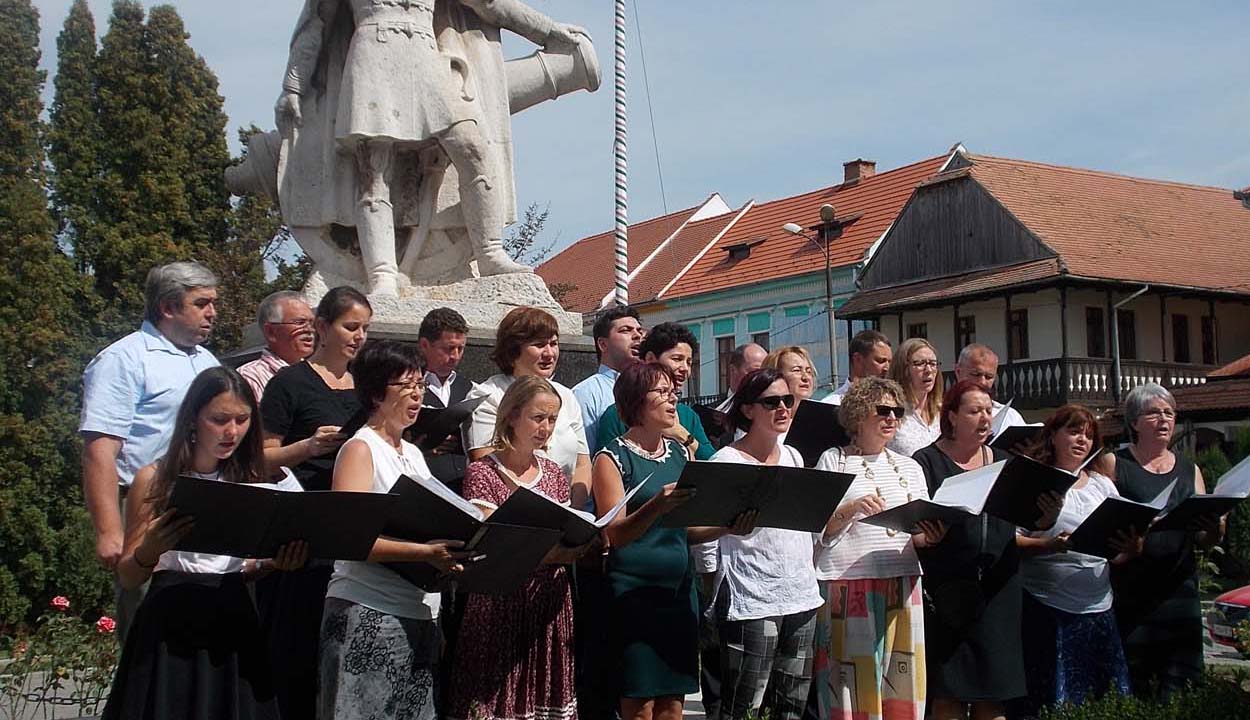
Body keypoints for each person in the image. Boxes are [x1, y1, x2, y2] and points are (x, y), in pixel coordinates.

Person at [277, 0, 592, 294]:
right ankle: (382, 274)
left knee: (474, 150)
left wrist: (550, 30)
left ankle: (489, 252)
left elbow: (490, 4)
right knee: (374, 169)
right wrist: (294, 84)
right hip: (372, 55)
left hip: (426, 54)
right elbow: (316, 22)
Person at [102, 367, 307, 720]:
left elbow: (239, 568)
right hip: (172, 619)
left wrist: (274, 563)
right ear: (193, 419)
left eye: (242, 420)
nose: (232, 432)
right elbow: (128, 577)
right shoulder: (156, 479)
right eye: (219, 419)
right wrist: (149, 550)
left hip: (232, 615)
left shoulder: (251, 480)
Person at [320, 340, 471, 720]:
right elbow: (348, 536)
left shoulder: (415, 454)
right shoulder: (360, 449)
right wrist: (424, 553)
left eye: (420, 384)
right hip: (368, 609)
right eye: (406, 386)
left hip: (419, 614)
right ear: (374, 393)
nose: (417, 394)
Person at [80, 261, 221, 639]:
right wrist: (110, 531)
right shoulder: (123, 359)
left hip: (205, 500)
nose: (212, 313)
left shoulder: (207, 362)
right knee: (148, 623)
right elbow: (100, 450)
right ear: (168, 307)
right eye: (202, 303)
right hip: (148, 504)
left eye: (213, 303)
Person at [593, 362, 740, 720]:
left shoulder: (681, 454)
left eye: (672, 391)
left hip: (677, 592)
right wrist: (656, 506)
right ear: (636, 400)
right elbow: (614, 534)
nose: (672, 397)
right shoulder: (611, 458)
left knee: (673, 703)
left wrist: (727, 527)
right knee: (639, 705)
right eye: (661, 391)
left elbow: (687, 529)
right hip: (633, 594)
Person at [912, 380, 1061, 720]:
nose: (984, 418)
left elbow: (1025, 518)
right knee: (947, 694)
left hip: (999, 590)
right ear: (951, 417)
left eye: (988, 411)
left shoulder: (1007, 463)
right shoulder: (926, 462)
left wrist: (1045, 516)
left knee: (993, 696)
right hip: (946, 593)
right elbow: (916, 524)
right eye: (974, 411)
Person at [447, 375, 592, 720]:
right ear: (511, 415)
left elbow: (559, 530)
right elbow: (494, 543)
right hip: (501, 602)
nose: (546, 428)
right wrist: (549, 550)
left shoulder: (555, 472)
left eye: (552, 420)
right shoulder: (483, 472)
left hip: (547, 601)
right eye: (537, 417)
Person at [257, 285, 372, 720]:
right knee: (298, 647)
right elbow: (260, 458)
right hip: (305, 528)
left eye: (365, 328)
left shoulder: (365, 384)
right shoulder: (289, 383)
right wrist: (307, 447)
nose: (358, 336)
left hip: (352, 526)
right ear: (323, 327)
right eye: (350, 326)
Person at [812, 377, 946, 720]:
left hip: (901, 579)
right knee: (851, 680)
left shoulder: (910, 466)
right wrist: (851, 509)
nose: (891, 418)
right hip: (848, 582)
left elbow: (915, 530)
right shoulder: (834, 460)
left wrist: (929, 537)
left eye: (897, 412)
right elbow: (816, 531)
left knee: (901, 682)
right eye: (882, 410)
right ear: (858, 415)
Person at [711, 368, 822, 720]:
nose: (783, 409)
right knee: (745, 702)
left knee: (791, 701)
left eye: (788, 401)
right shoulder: (726, 460)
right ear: (747, 410)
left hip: (800, 590)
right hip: (751, 593)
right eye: (771, 402)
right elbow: (695, 530)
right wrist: (727, 528)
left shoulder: (793, 456)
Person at [1015, 405, 1140, 713]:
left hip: (1098, 608)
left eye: (1088, 434)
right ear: (1053, 436)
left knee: (1100, 701)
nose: (1082, 440)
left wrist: (1132, 547)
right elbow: (1010, 541)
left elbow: (1119, 555)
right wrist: (1049, 545)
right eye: (1073, 431)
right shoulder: (1034, 481)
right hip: (1047, 607)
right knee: (1049, 701)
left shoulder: (1102, 485)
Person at [1104, 383, 1222, 699]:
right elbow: (1100, 524)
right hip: (1131, 591)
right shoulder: (1115, 464)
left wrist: (1214, 527)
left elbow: (1203, 539)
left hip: (1179, 590)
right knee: (1136, 683)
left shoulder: (1189, 468)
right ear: (1134, 422)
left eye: (1169, 413)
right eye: (1154, 413)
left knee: (1183, 685)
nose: (1164, 420)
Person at [466, 306, 591, 506]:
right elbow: (487, 462)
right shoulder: (488, 395)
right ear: (514, 351)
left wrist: (571, 515)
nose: (549, 353)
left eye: (554, 343)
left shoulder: (566, 396)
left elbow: (583, 464)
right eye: (539, 345)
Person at [594, 322, 715, 461]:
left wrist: (682, 435)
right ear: (650, 359)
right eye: (677, 359)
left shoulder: (688, 415)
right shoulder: (617, 415)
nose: (685, 368)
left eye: (689, 362)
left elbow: (714, 463)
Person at [416, 307, 474, 494]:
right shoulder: (404, 386)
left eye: (461, 348)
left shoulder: (470, 388)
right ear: (425, 345)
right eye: (448, 349)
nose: (455, 356)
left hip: (463, 489)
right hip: (422, 487)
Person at [574, 305, 644, 450]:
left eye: (639, 330)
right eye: (626, 330)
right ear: (603, 344)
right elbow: (585, 455)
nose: (637, 335)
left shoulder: (651, 389)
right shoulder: (586, 393)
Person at [236, 290, 315, 402]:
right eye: (300, 322)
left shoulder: (317, 374)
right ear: (271, 332)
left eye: (312, 323)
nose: (309, 329)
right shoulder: (249, 378)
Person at [887, 339, 942, 457]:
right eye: (920, 363)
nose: (928, 370)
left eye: (933, 363)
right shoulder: (890, 413)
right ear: (903, 369)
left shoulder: (943, 412)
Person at [953, 344, 1025, 429]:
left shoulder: (1010, 418)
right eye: (976, 374)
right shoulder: (939, 414)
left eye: (989, 377)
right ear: (958, 372)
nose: (982, 382)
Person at [818, 330, 891, 405]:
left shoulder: (892, 404)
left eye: (889, 362)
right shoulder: (831, 405)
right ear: (858, 359)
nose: (887, 368)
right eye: (881, 361)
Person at [715, 342, 768, 412]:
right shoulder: (709, 415)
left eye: (766, 372)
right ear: (733, 370)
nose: (763, 378)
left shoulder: (775, 412)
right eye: (755, 372)